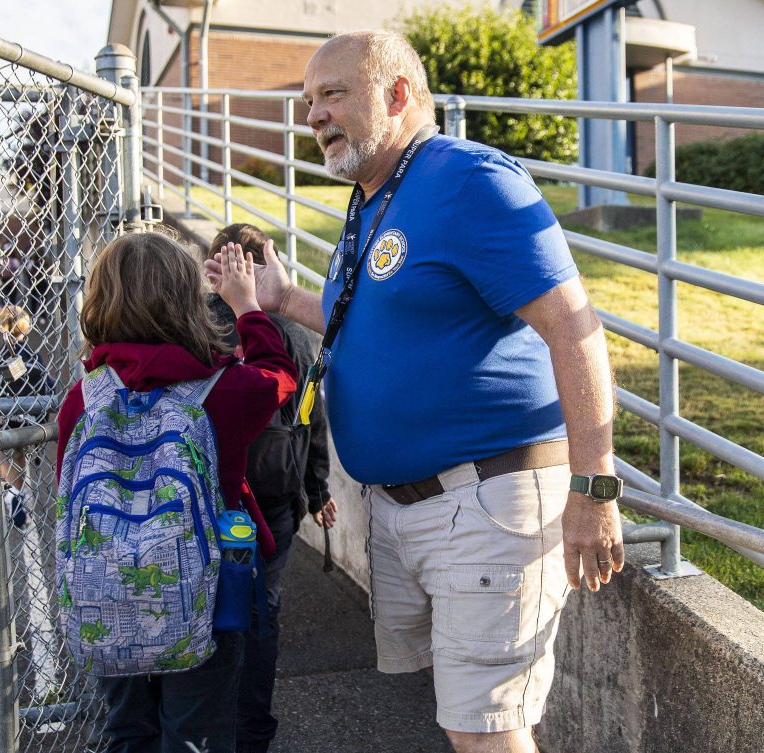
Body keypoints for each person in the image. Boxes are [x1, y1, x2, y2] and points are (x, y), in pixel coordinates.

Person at [205, 31, 624, 753]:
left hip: (485, 500)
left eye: (332, 94)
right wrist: (285, 298)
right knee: (467, 714)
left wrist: (594, 488)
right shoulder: (375, 195)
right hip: (410, 506)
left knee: (484, 726)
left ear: (398, 94)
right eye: (308, 102)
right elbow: (372, 318)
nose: (313, 116)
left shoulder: (469, 181)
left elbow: (575, 329)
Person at [54, 230, 297, 753]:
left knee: (125, 731)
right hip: (204, 596)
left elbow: (64, 488)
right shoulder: (220, 390)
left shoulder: (85, 397)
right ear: (187, 300)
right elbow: (279, 375)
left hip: (108, 594)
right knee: (194, 733)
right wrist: (249, 306)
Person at [205, 223, 337, 753]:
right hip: (275, 496)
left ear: (215, 267)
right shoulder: (291, 337)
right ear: (269, 262)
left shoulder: (192, 325)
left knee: (202, 603)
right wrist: (318, 488)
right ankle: (251, 729)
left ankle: (203, 719)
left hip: (212, 490)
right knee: (261, 608)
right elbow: (310, 416)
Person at [0, 304, 56, 528]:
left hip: (8, 415)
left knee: (5, 453)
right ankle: (17, 492)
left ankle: (12, 493)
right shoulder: (33, 356)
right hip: (32, 416)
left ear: (2, 329)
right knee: (20, 451)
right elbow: (48, 385)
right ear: (27, 328)